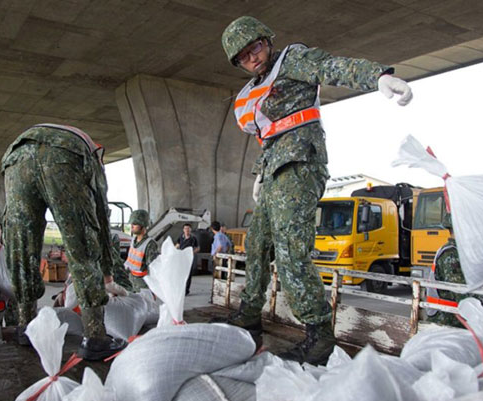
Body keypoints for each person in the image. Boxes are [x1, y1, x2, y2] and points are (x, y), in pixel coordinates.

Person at [218, 16, 413, 364]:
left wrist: (378, 76)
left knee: (292, 250)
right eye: (244, 57)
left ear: (268, 41)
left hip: (300, 166)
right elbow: (269, 135)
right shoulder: (254, 89)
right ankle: (249, 315)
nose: (254, 58)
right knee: (258, 244)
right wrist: (259, 173)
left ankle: (319, 334)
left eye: (257, 47)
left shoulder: (291, 61)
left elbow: (330, 66)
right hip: (274, 169)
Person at [1, 123, 125, 360]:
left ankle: (25, 327)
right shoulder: (90, 154)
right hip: (63, 157)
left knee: (21, 244)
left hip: (16, 156)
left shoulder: (53, 137)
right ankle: (95, 338)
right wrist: (107, 275)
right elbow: (99, 218)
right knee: (81, 243)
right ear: (100, 155)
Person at [427, 213, 466, 327]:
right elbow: (459, 290)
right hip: (447, 318)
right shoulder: (451, 254)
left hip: (450, 315)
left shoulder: (453, 250)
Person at [124, 209, 159, 293]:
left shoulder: (150, 244)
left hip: (143, 286)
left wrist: (153, 289)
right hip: (132, 283)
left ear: (143, 225)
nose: (132, 226)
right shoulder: (133, 240)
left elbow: (153, 269)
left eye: (135, 224)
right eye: (132, 224)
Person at [175, 223, 200, 294]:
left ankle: (186, 290)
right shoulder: (181, 237)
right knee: (180, 273)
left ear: (190, 230)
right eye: (185, 229)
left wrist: (191, 252)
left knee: (188, 274)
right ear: (183, 230)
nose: (187, 230)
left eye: (188, 229)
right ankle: (180, 289)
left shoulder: (193, 238)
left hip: (189, 259)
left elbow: (198, 248)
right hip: (181, 258)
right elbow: (177, 245)